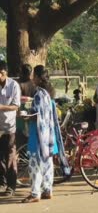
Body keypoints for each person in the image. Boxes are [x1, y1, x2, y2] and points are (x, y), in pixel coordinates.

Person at [21, 65, 69, 203]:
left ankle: (35, 193)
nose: (32, 78)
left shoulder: (38, 95)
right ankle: (47, 190)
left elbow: (37, 115)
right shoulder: (48, 94)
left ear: (36, 77)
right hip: (49, 136)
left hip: (38, 136)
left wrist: (26, 116)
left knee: (34, 165)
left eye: (33, 76)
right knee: (47, 164)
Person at [0, 61, 21, 197]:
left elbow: (16, 105)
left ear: (5, 73)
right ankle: (2, 182)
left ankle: (11, 186)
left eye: (0, 74)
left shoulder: (13, 85)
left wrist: (1, 107)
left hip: (9, 128)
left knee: (10, 157)